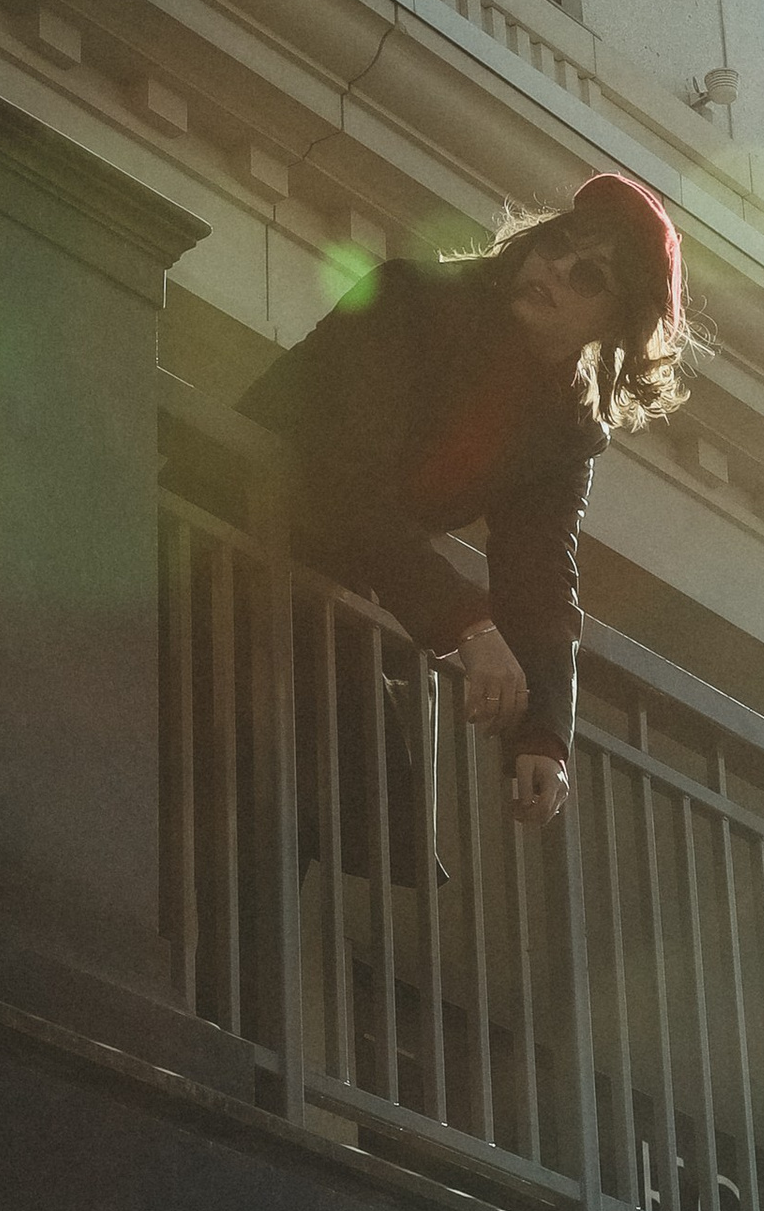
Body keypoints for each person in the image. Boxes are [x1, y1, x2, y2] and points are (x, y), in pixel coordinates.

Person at [241, 172, 690, 824]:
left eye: (590, 276)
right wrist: (468, 626)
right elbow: (341, 476)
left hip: (311, 599)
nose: (557, 267)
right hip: (217, 539)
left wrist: (542, 737)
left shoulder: (564, 429)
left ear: (616, 322)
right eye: (557, 243)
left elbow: (538, 580)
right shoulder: (410, 301)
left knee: (340, 805)